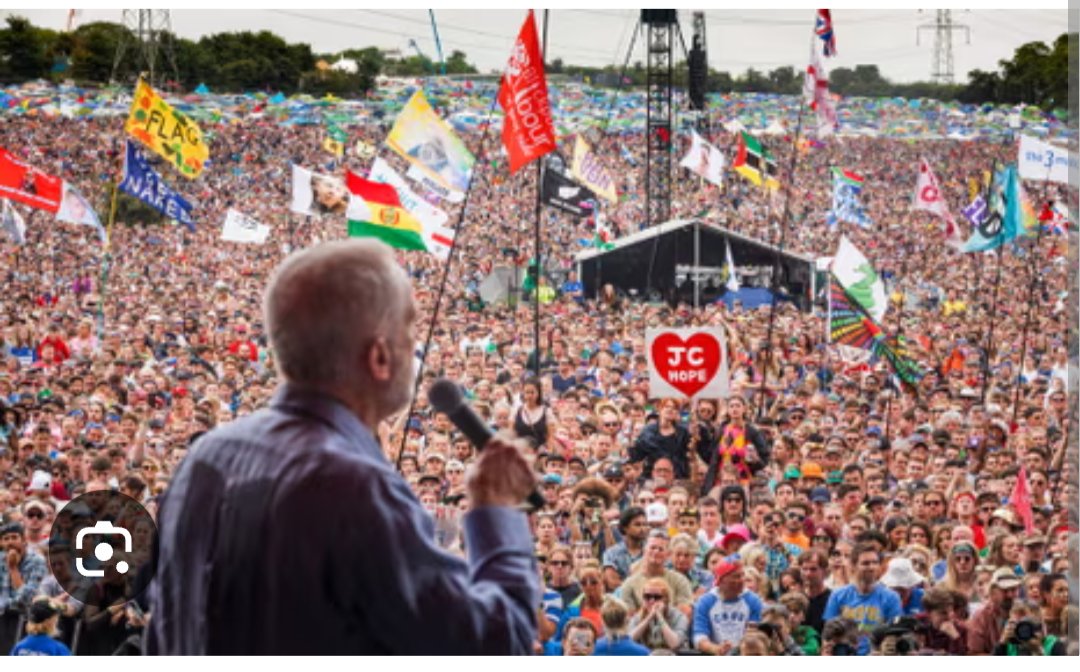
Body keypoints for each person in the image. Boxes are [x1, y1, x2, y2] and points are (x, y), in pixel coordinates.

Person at [148, 240, 540, 654]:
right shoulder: (353, 487)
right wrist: (497, 510)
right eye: (410, 330)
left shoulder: (202, 460)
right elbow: (494, 644)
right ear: (379, 357)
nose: (416, 347)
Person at [822, 542, 902, 654]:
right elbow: (828, 636)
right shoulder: (838, 595)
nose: (871, 567)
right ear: (853, 566)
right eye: (865, 563)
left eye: (875, 562)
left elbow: (894, 635)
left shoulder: (891, 597)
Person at [693, 560, 763, 655]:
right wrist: (715, 649)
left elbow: (756, 635)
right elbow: (699, 636)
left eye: (742, 575)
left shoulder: (753, 600)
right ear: (721, 580)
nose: (742, 580)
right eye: (736, 577)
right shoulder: (705, 602)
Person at [967, 567, 1022, 654]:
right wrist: (1001, 644)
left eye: (1013, 590)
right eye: (1005, 590)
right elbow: (974, 653)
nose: (1010, 595)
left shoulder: (1026, 611)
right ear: (993, 593)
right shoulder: (981, 617)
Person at [628, 577, 689, 652]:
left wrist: (660, 617)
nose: (652, 601)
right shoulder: (638, 617)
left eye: (657, 597)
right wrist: (649, 617)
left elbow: (674, 644)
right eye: (647, 596)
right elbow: (630, 640)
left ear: (666, 599)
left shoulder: (678, 616)